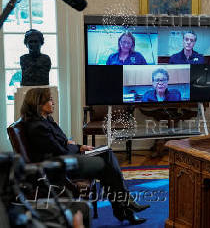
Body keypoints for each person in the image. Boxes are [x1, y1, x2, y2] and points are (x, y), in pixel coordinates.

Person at [21, 88, 149, 225]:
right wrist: (74, 147)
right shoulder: (37, 127)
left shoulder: (46, 120)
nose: (53, 102)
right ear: (38, 103)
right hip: (60, 166)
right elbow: (60, 150)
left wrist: (77, 146)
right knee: (107, 160)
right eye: (50, 100)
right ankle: (125, 207)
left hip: (67, 158)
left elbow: (63, 141)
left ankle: (125, 209)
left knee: (107, 157)